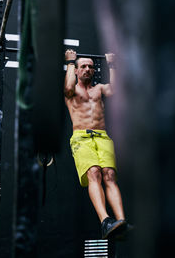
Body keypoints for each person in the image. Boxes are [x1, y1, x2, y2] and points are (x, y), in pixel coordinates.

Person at [64, 49, 132, 240]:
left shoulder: (99, 89)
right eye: (83, 66)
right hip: (81, 137)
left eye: (90, 67)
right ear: (76, 70)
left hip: (102, 137)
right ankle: (105, 221)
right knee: (94, 172)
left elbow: (116, 90)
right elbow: (68, 87)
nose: (87, 69)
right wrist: (70, 62)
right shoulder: (71, 90)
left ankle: (121, 221)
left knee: (109, 175)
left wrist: (112, 65)